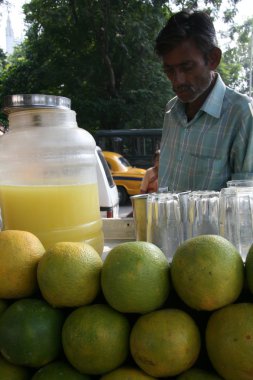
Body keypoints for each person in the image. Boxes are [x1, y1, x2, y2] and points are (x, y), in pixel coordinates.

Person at [155, 10, 253, 192]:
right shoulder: (171, 110)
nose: (178, 80)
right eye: (169, 70)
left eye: (187, 67)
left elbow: (246, 201)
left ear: (213, 59)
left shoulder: (242, 114)